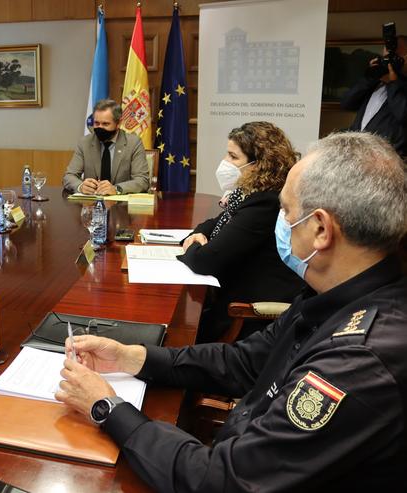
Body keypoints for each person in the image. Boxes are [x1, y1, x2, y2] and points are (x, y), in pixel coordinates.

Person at [56, 132, 407, 491]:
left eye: (285, 211)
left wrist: (107, 407)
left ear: (320, 229)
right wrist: (134, 358)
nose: (280, 222)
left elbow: (222, 481)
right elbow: (242, 362)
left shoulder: (359, 362)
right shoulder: (334, 296)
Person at [177, 122, 305, 342]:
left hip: (249, 312)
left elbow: (204, 260)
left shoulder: (265, 203)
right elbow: (211, 223)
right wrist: (196, 235)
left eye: (233, 157)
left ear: (258, 164)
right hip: (233, 292)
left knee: (177, 333)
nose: (225, 163)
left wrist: (193, 244)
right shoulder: (249, 194)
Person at [62, 99, 149, 195]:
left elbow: (142, 180)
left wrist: (116, 189)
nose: (100, 128)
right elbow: (69, 176)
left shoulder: (133, 143)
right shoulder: (85, 142)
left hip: (121, 206)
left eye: (105, 124)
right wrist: (81, 186)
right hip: (92, 205)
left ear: (118, 124)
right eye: (97, 123)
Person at [341, 35, 407, 157]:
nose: (389, 63)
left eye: (394, 58)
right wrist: (370, 78)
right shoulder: (375, 82)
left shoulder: (401, 86)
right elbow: (346, 103)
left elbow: (403, 114)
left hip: (390, 160)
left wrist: (393, 83)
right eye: (386, 57)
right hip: (358, 155)